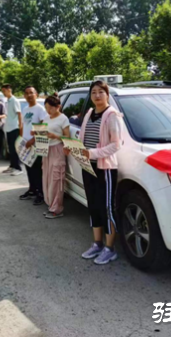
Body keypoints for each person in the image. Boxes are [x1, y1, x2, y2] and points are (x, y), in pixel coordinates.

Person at [65, 80, 122, 265]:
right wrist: (74, 149)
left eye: (100, 92)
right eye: (94, 92)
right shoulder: (90, 112)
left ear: (107, 94)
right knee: (93, 205)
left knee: (106, 208)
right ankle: (97, 244)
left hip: (105, 168)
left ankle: (110, 248)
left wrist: (93, 153)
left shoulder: (112, 115)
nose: (97, 96)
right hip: (87, 166)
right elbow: (82, 138)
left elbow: (116, 144)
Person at [40, 93, 70, 219]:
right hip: (46, 150)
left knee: (56, 179)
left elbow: (67, 138)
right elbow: (42, 133)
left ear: (58, 106)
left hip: (57, 149)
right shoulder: (46, 118)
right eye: (46, 108)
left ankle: (57, 209)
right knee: (47, 178)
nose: (48, 110)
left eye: (50, 108)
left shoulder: (63, 119)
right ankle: (50, 205)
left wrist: (55, 136)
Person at [19, 86, 47, 205]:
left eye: (31, 93)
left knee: (37, 170)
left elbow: (43, 127)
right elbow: (24, 126)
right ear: (24, 96)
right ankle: (32, 190)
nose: (29, 95)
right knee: (29, 168)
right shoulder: (25, 109)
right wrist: (22, 140)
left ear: (36, 94)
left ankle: (40, 193)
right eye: (27, 93)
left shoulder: (40, 109)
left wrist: (33, 139)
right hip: (26, 144)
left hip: (36, 144)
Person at [1, 84, 23, 176]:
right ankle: (12, 166)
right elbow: (7, 114)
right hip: (8, 128)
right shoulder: (8, 101)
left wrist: (20, 127)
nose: (3, 93)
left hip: (14, 128)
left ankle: (18, 168)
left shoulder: (14, 100)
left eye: (4, 91)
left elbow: (19, 114)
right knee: (10, 149)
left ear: (9, 90)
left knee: (14, 149)